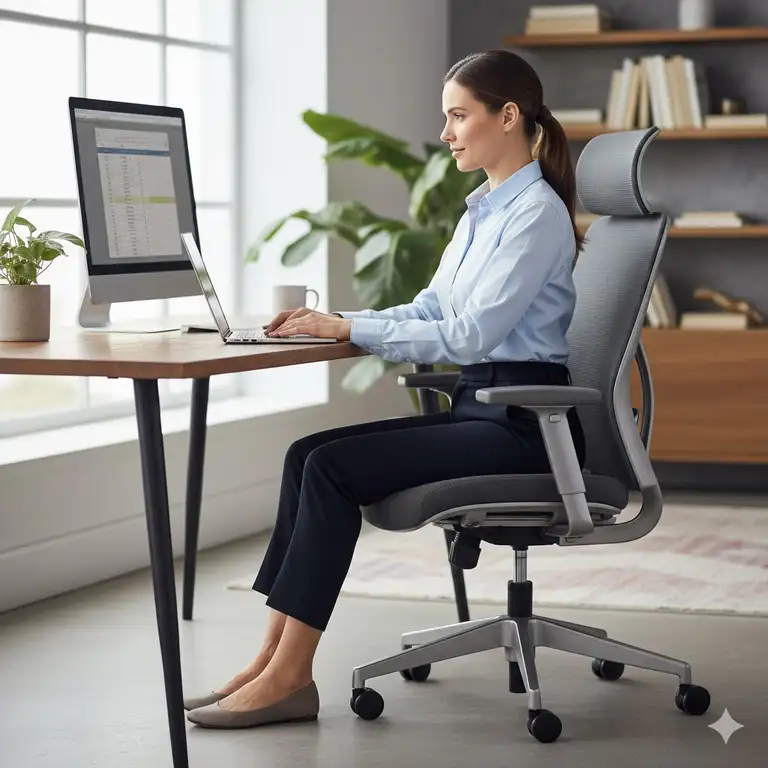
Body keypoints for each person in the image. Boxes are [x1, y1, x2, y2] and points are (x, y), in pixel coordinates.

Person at [185, 49, 588, 729]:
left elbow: (470, 336)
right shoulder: (482, 212)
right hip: (482, 410)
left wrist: (350, 328)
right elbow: (430, 308)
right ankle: (269, 660)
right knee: (306, 455)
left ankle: (290, 677)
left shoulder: (536, 215)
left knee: (332, 470)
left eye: (458, 115)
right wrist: (336, 321)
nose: (446, 133)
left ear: (508, 116)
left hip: (527, 425)